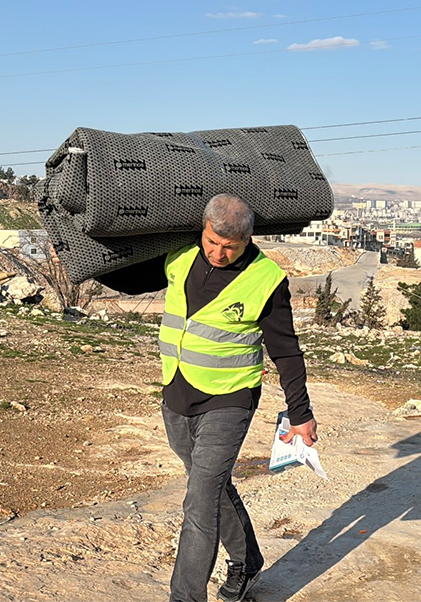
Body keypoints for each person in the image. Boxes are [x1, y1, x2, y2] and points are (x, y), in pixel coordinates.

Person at [97, 193, 316, 602]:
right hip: (177, 393)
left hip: (230, 399)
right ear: (203, 230)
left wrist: (301, 412)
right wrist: (84, 254)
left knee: (199, 503)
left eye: (229, 247)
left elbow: (286, 351)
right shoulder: (180, 256)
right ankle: (248, 559)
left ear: (248, 239)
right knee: (209, 485)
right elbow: (128, 280)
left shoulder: (266, 279)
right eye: (212, 241)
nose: (217, 253)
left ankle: (185, 596)